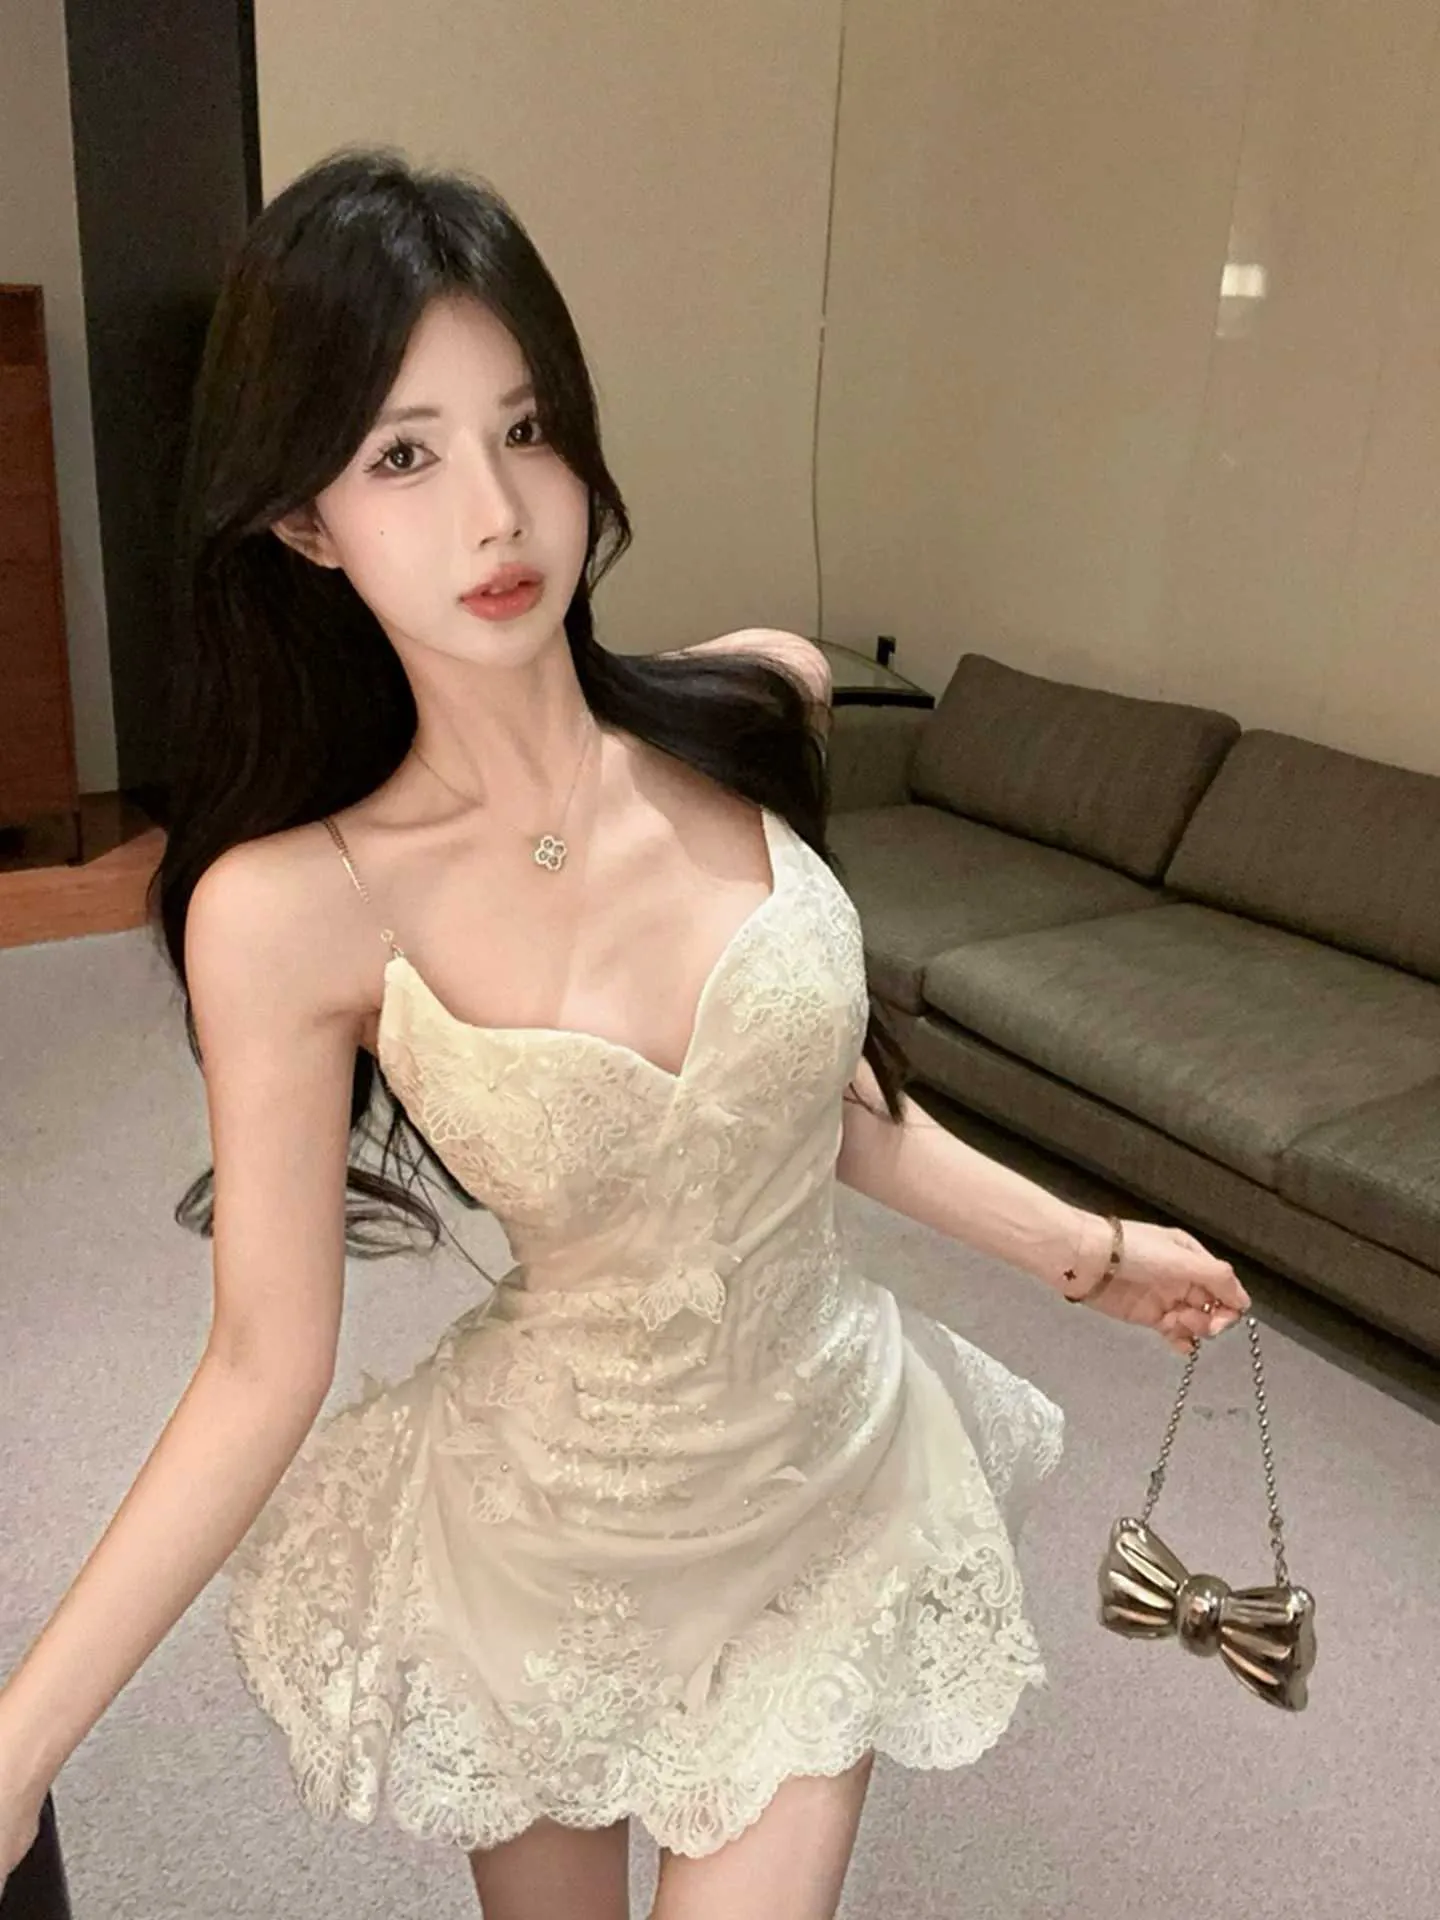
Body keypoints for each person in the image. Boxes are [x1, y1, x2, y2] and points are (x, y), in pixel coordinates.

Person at [0, 146, 1250, 1919]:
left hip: (816, 1490)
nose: (497, 516)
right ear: (303, 520)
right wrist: (19, 1750)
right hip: (542, 1545)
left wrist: (1087, 1250)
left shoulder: (756, 709)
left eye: (526, 429)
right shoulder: (290, 910)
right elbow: (264, 1363)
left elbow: (801, 1101)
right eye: (403, 456)